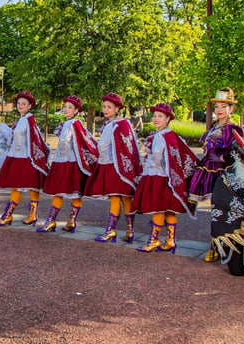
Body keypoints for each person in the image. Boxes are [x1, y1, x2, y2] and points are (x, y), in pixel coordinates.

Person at [131, 103, 198, 253]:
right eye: (154, 115)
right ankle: (170, 240)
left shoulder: (164, 136)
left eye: (160, 116)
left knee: (158, 209)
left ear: (168, 118)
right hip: (163, 177)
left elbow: (161, 158)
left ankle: (155, 240)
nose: (155, 119)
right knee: (168, 210)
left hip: (160, 177)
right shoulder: (165, 135)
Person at [186, 88, 244, 261]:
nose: (219, 110)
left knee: (222, 210)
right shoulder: (214, 127)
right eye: (217, 106)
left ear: (231, 109)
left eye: (224, 106)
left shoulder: (233, 129)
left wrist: (217, 156)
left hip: (223, 174)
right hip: (209, 171)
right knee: (215, 211)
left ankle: (222, 246)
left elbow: (235, 153)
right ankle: (216, 245)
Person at [84, 92, 142, 243]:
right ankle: (117, 230)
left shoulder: (122, 124)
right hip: (109, 166)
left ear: (117, 108)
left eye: (109, 107)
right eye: (104, 107)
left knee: (122, 197)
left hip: (119, 168)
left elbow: (128, 147)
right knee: (116, 197)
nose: (105, 109)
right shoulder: (109, 125)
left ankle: (123, 230)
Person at [36, 95, 98, 233]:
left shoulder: (76, 124)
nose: (66, 109)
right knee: (57, 192)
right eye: (65, 107)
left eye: (70, 107)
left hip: (71, 163)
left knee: (74, 193)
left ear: (76, 110)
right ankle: (51, 221)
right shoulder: (65, 124)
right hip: (60, 161)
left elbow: (84, 141)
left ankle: (71, 221)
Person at [0, 92, 49, 227]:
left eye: (24, 104)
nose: (20, 105)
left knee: (29, 186)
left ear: (30, 106)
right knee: (21, 186)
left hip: (26, 158)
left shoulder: (29, 119)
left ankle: (19, 215)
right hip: (18, 156)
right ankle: (16, 215)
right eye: (19, 103)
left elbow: (33, 138)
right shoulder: (24, 119)